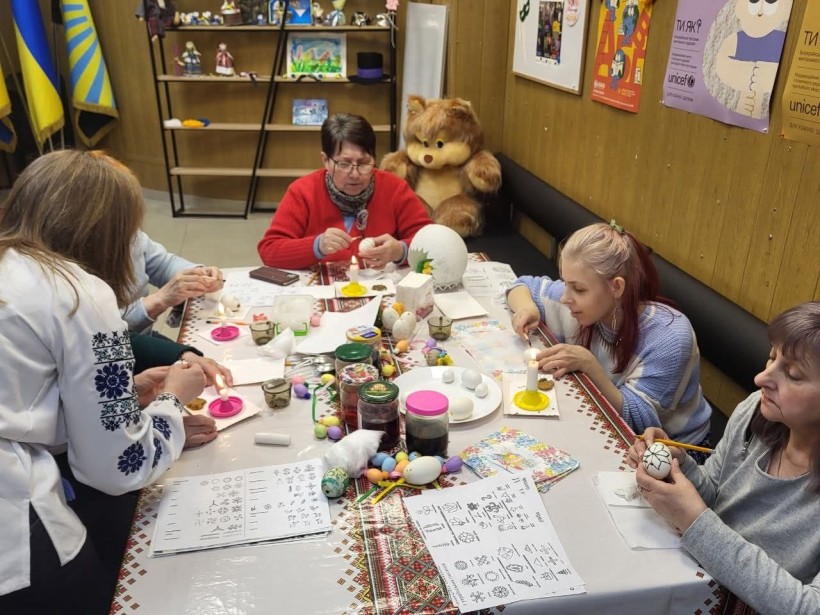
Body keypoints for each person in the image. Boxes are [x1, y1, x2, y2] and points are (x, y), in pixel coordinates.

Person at [0, 150, 216, 613]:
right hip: (17, 534)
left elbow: (21, 395)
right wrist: (172, 403)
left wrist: (128, 393)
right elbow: (119, 466)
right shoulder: (79, 293)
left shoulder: (12, 267)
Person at [628, 302, 820, 614]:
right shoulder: (756, 410)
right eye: (772, 357)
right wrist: (680, 465)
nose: (761, 378)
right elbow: (716, 494)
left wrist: (693, 521)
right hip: (699, 580)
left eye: (793, 374)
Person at [508, 221, 712, 447]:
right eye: (565, 283)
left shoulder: (670, 338)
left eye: (578, 289)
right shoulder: (581, 303)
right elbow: (523, 286)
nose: (565, 298)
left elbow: (638, 422)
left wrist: (588, 365)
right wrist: (527, 308)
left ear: (616, 287)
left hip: (677, 447)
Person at [257, 113, 432, 270]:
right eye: (344, 164)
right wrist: (317, 246)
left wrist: (401, 251)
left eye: (364, 163)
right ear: (326, 161)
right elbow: (269, 250)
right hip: (318, 289)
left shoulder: (395, 189)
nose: (354, 174)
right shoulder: (302, 192)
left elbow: (432, 243)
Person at [125, 229, 224, 335]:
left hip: (144, 334)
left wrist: (196, 273)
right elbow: (113, 329)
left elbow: (162, 264)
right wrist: (159, 300)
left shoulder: (127, 233)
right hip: (122, 340)